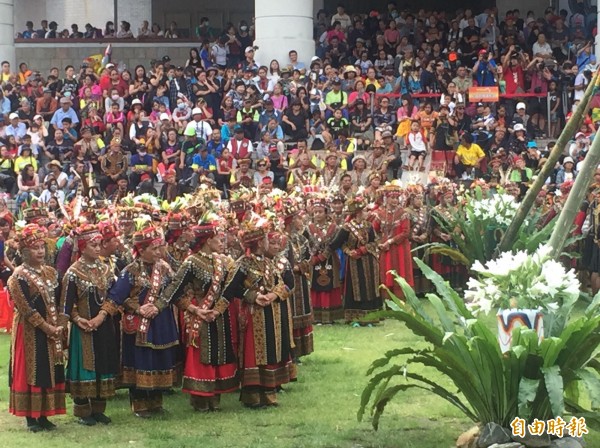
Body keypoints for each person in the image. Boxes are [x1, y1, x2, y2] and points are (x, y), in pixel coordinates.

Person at [161, 220, 238, 412]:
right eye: (217, 238)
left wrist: (218, 309)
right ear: (207, 240)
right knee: (202, 353)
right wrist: (195, 310)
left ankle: (215, 398)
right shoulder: (192, 262)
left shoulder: (222, 261)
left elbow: (231, 288)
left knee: (218, 351)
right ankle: (200, 399)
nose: (221, 241)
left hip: (219, 314)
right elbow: (174, 290)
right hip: (200, 313)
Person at [221, 215, 293, 408]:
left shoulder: (269, 262)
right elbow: (230, 289)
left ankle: (269, 394)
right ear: (260, 243)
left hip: (272, 312)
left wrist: (274, 296)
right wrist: (252, 296)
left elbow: (284, 284)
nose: (270, 242)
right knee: (255, 353)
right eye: (267, 239)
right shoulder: (243, 263)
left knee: (270, 350)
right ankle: (252, 396)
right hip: (253, 315)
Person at [107, 223, 178, 417]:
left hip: (160, 319)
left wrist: (158, 306)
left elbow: (174, 289)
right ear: (141, 250)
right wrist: (138, 308)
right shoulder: (130, 271)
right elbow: (117, 296)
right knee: (141, 359)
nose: (158, 252)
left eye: (159, 247)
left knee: (159, 358)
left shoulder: (164, 268)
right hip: (139, 323)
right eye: (153, 248)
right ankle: (139, 404)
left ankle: (156, 402)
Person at [7, 224, 68, 431]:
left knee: (49, 368)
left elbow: (61, 301)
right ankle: (30, 417)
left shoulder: (51, 273)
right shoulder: (18, 276)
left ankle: (44, 415)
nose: (41, 251)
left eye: (43, 247)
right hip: (30, 331)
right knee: (33, 368)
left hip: (51, 327)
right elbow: (26, 308)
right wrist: (46, 327)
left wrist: (60, 324)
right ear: (25, 252)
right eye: (35, 248)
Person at [61, 224, 119, 426]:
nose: (97, 248)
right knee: (84, 365)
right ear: (83, 247)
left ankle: (98, 408)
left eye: (99, 244)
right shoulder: (73, 273)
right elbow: (67, 303)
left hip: (103, 325)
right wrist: (78, 319)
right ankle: (83, 410)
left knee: (103, 362)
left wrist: (102, 315)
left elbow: (113, 297)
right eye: (93, 245)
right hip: (83, 327)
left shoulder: (106, 269)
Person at [330, 195, 381, 326]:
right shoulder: (346, 228)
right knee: (356, 289)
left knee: (369, 288)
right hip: (353, 263)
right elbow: (337, 243)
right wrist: (348, 252)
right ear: (358, 213)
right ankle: (354, 318)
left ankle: (370, 317)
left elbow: (375, 242)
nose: (367, 213)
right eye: (364, 211)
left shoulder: (369, 226)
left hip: (368, 261)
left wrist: (362, 250)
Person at [373, 183, 414, 299]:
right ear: (386, 198)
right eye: (392, 197)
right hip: (385, 248)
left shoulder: (403, 213)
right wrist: (378, 243)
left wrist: (389, 242)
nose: (395, 200)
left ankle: (401, 300)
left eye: (397, 198)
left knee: (400, 271)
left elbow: (406, 232)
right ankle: (387, 300)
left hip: (399, 247)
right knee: (386, 272)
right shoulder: (380, 213)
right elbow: (373, 230)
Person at [306, 196, 342, 323]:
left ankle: (330, 316)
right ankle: (316, 317)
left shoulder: (334, 227)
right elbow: (306, 244)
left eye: (320, 212)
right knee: (315, 285)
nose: (317, 214)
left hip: (330, 259)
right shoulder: (308, 228)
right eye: (315, 212)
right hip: (314, 259)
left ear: (326, 213)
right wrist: (313, 257)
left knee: (329, 284)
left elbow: (336, 243)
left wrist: (324, 255)